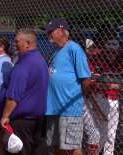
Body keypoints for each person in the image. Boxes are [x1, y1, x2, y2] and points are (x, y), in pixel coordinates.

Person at [45, 18, 91, 155]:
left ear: (61, 31)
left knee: (73, 147)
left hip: (69, 108)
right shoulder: (56, 52)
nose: (48, 34)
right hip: (53, 108)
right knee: (56, 146)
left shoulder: (74, 48)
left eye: (50, 31)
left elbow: (85, 79)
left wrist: (81, 99)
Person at [0, 29, 49, 155]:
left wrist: (5, 116)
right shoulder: (41, 60)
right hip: (39, 119)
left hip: (22, 122)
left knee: (20, 151)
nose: (14, 44)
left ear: (27, 43)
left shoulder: (23, 66)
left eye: (17, 41)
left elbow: (13, 96)